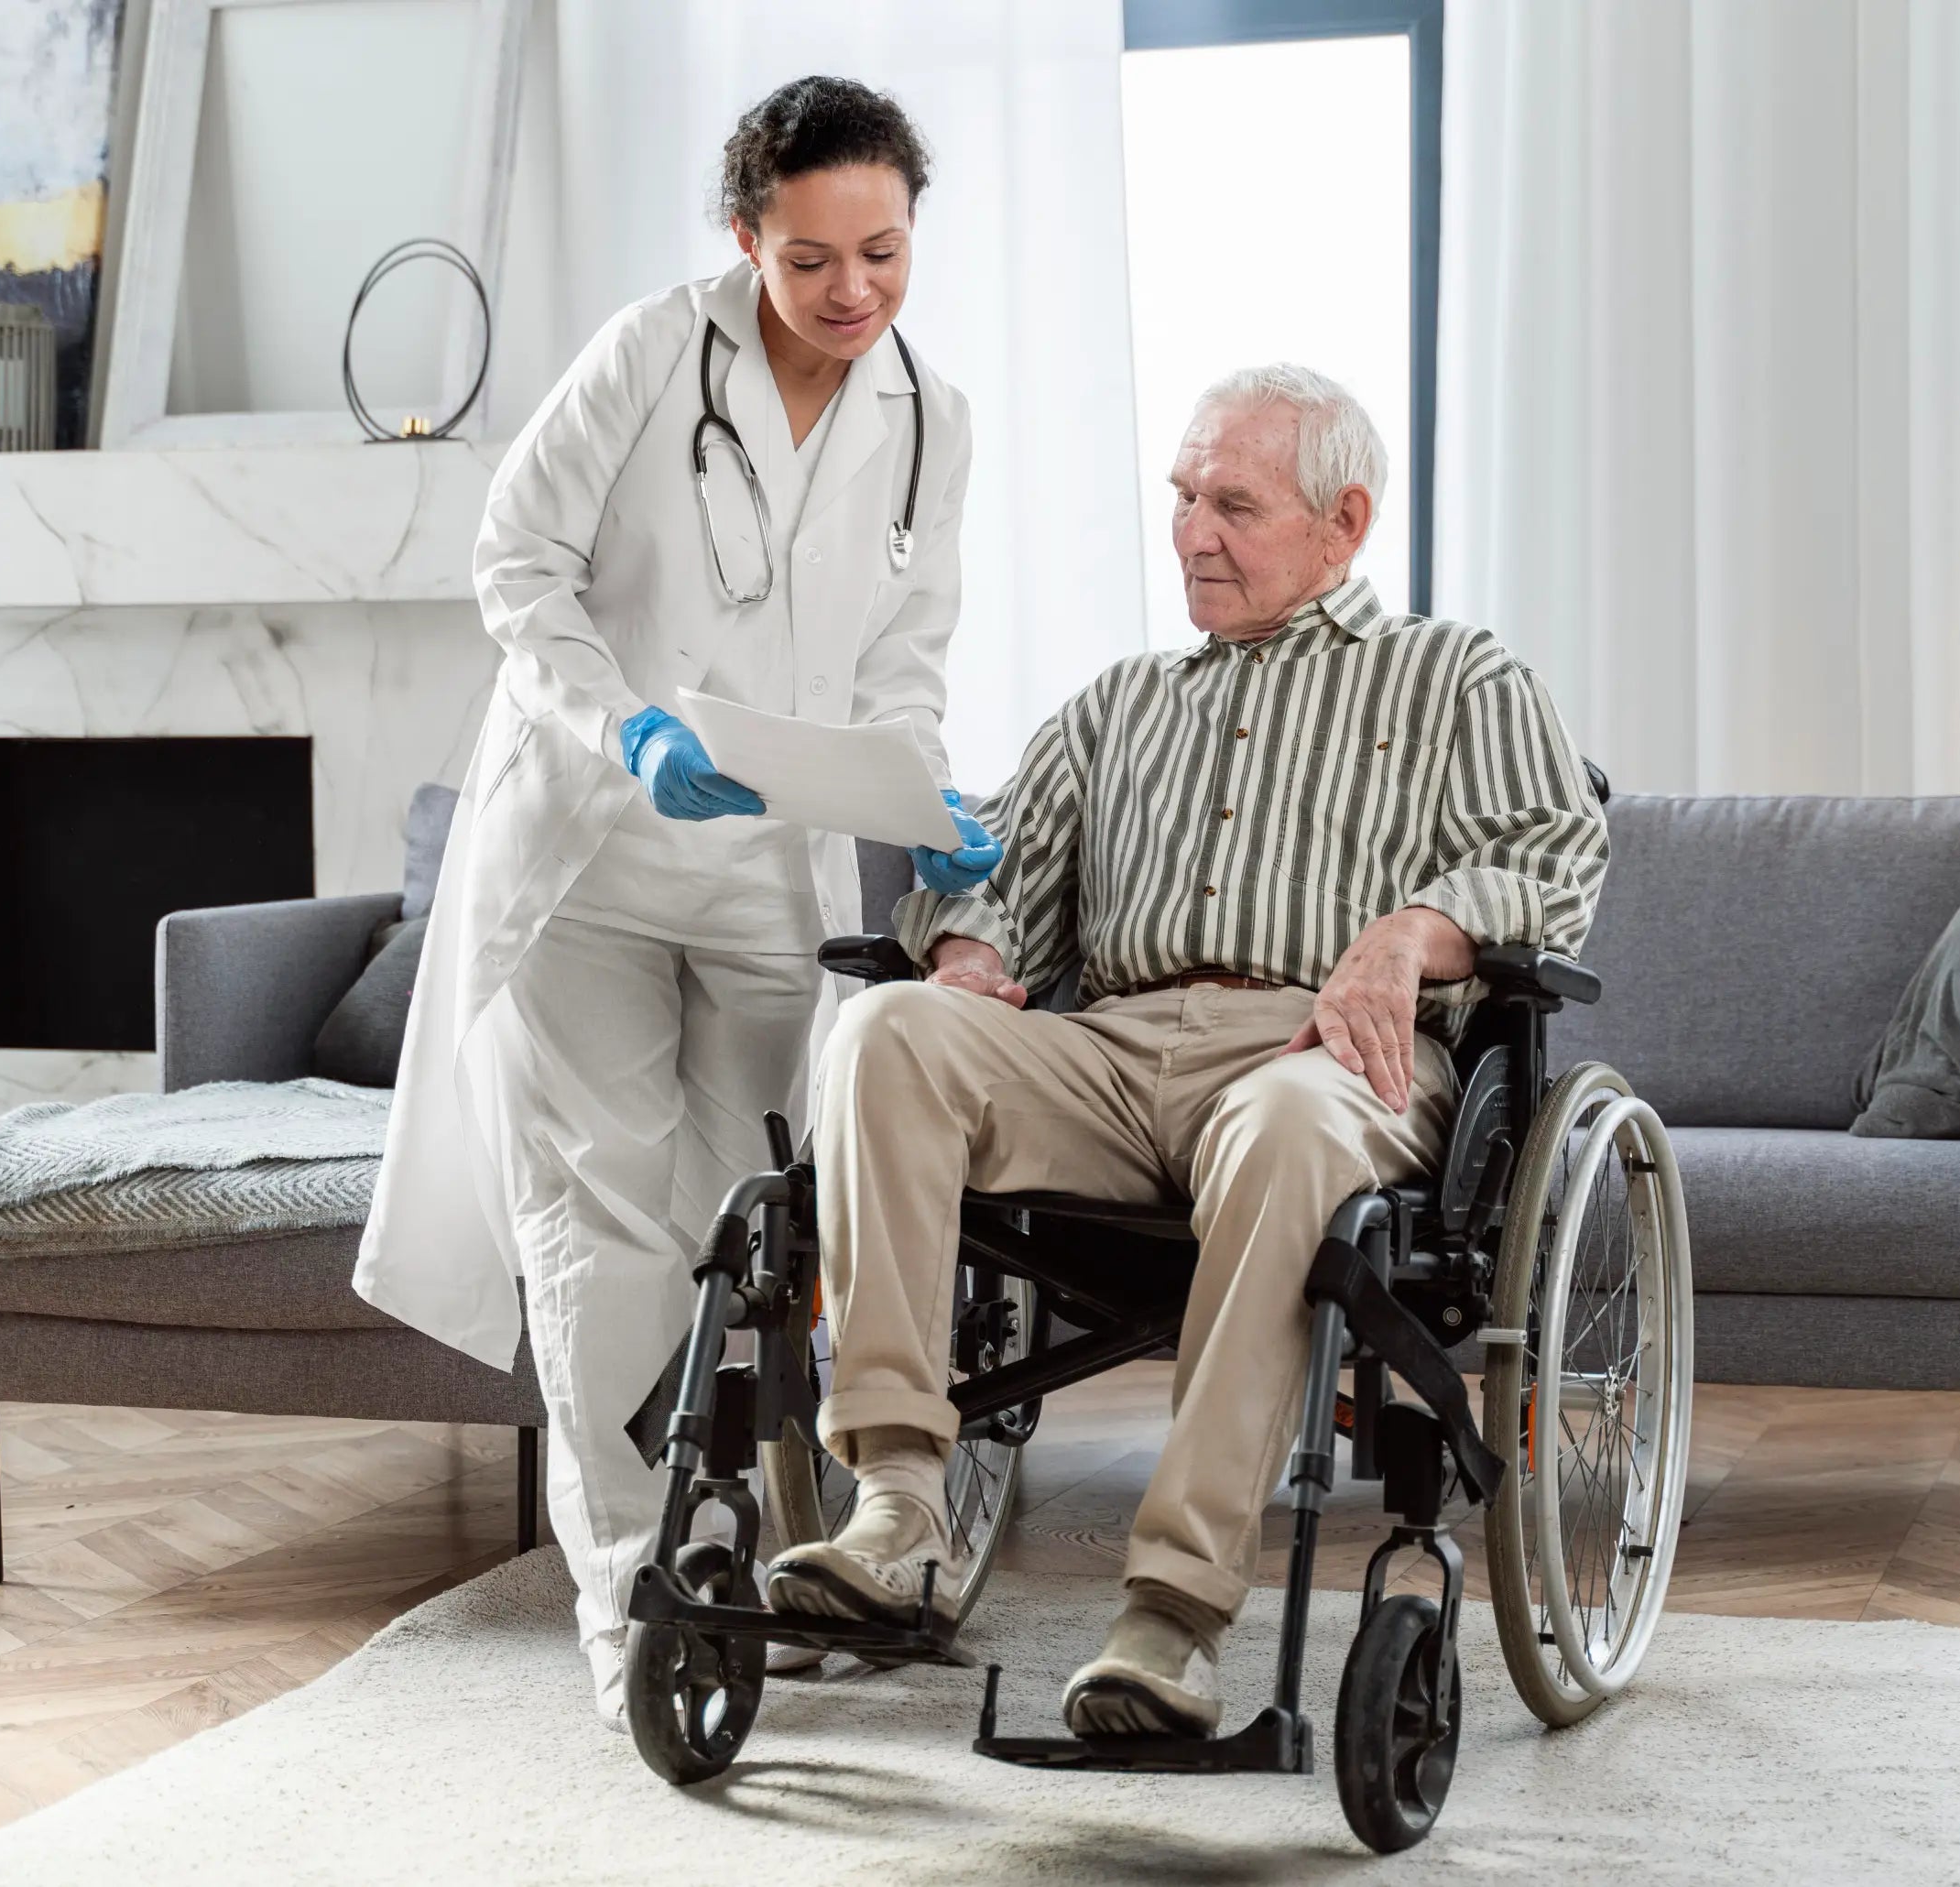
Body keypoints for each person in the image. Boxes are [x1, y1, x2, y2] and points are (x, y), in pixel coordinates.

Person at [764, 364, 1607, 1738]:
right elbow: (993, 860)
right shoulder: (1120, 704)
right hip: (1108, 1049)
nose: (1193, 533)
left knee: (1285, 1126)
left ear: (1344, 524)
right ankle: (899, 1508)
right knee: (888, 1031)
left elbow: (1557, 856)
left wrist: (1416, 928)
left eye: (1234, 504)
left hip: (1319, 1056)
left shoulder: (1458, 674)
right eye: (1181, 498)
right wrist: (970, 946)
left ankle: (1171, 1615)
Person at [355, 76, 1000, 1726]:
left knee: (754, 1221)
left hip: (762, 862)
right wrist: (622, 723)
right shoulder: (652, 353)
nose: (852, 293)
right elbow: (516, 564)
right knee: (606, 1229)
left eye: (883, 252)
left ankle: (758, 1542)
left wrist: (925, 809)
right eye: (810, 260)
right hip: (585, 840)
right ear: (745, 239)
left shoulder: (931, 417)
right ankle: (631, 1591)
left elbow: (903, 663)